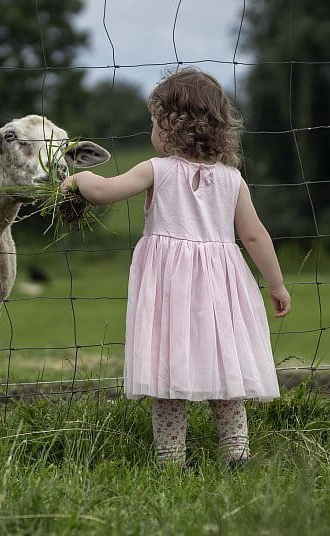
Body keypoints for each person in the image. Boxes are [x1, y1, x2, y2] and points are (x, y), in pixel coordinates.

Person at [61, 67, 291, 470]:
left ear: (172, 126)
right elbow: (255, 236)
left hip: (170, 290)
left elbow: (104, 192)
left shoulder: (157, 169)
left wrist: (76, 180)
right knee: (227, 369)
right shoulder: (233, 180)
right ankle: (236, 454)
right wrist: (276, 284)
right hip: (221, 291)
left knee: (167, 371)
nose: (152, 129)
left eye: (154, 121)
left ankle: (171, 461)